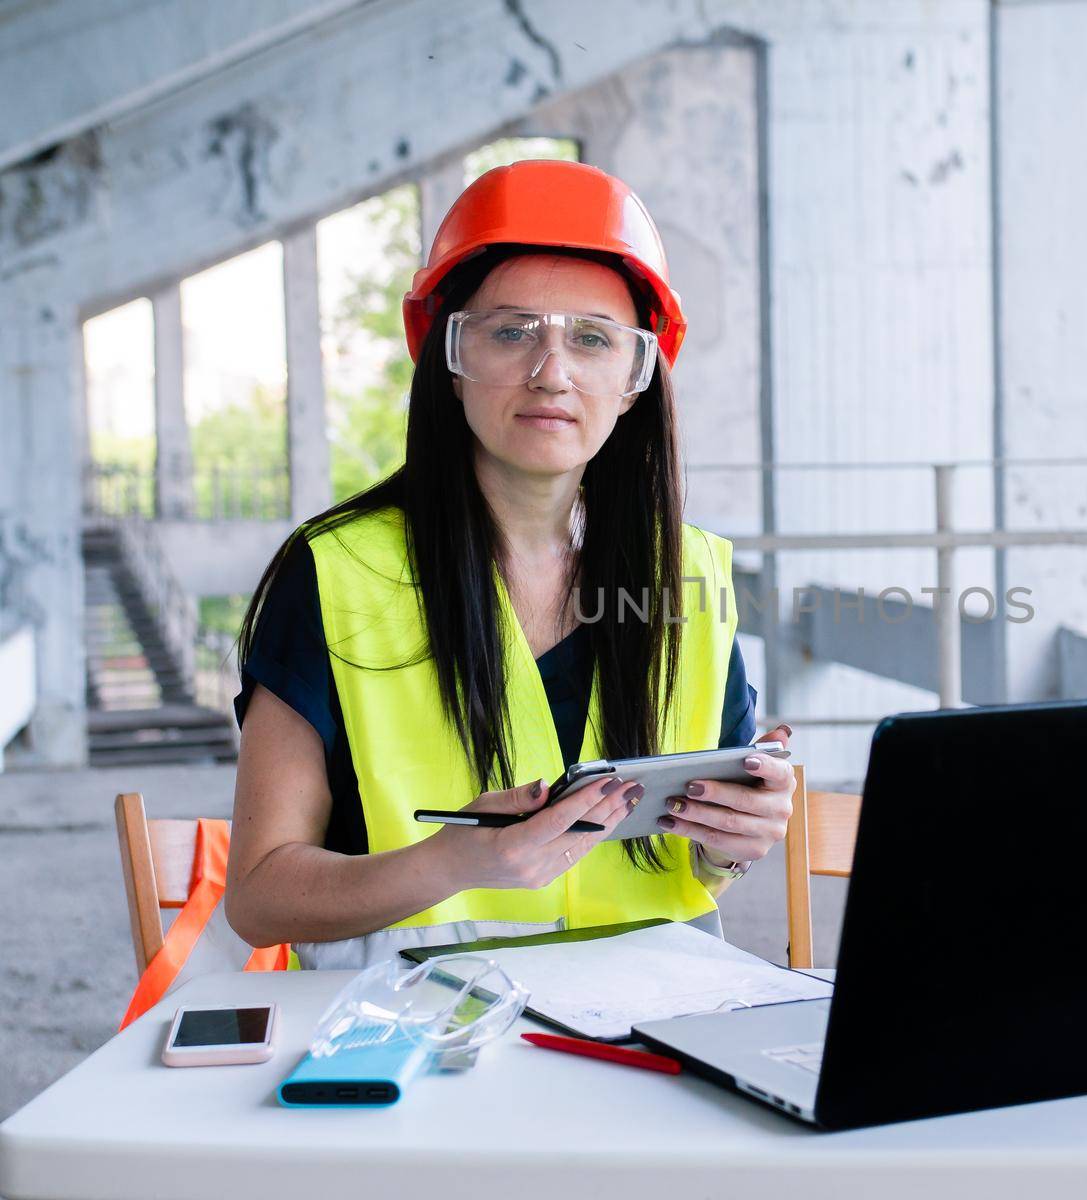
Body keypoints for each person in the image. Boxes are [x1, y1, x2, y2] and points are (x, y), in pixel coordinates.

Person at [223, 160, 795, 969]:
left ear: (636, 381)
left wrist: (729, 845)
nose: (551, 372)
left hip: (653, 1022)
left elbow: (693, 863)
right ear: (450, 362)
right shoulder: (336, 573)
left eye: (593, 340)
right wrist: (457, 862)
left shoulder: (689, 576)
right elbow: (257, 897)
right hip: (410, 1037)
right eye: (511, 332)